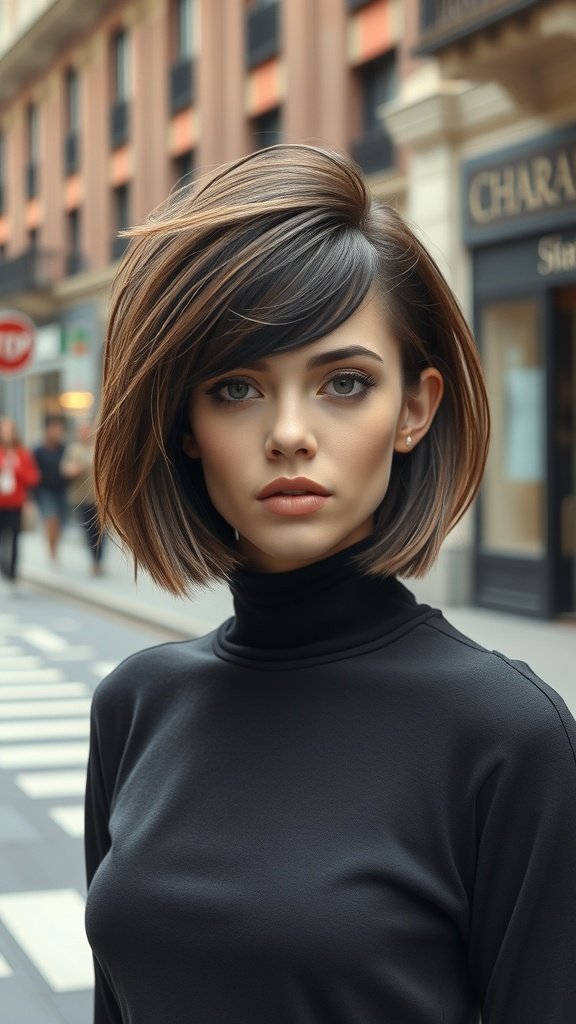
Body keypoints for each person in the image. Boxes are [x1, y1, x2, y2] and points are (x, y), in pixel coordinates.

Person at [85, 145, 576, 1024]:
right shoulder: (137, 706)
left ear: (415, 409)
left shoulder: (507, 735)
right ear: (186, 423)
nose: (289, 434)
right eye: (236, 387)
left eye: (343, 383)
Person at [0, 416, 40, 589]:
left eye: (10, 431)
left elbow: (33, 478)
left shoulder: (22, 454)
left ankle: (13, 573)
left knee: (15, 538)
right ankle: (4, 568)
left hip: (16, 504)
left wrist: (18, 469)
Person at [61, 421, 105, 575]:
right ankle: (94, 559)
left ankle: (98, 559)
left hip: (100, 498)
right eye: (82, 431)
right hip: (80, 497)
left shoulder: (98, 447)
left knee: (101, 530)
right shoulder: (73, 449)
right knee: (88, 529)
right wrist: (72, 469)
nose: (85, 433)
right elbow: (65, 469)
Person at [33, 413, 69, 563]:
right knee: (51, 520)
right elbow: (33, 474)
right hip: (45, 491)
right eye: (54, 428)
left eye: (60, 429)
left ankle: (54, 544)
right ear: (47, 430)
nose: (57, 432)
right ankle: (51, 549)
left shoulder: (64, 449)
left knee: (60, 522)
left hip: (61, 491)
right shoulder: (38, 451)